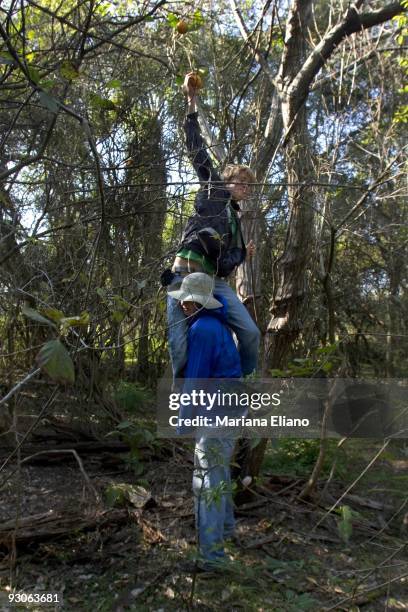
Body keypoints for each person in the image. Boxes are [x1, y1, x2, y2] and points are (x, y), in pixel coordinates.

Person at [166, 72, 260, 380]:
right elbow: (196, 150)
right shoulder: (213, 187)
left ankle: (238, 381)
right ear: (227, 179)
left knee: (250, 333)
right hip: (185, 274)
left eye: (249, 186)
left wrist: (242, 254)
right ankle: (184, 400)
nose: (245, 188)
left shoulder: (236, 222)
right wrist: (191, 102)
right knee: (179, 347)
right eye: (241, 182)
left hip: (214, 282)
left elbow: (224, 266)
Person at [168, 272, 243, 571]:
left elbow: (196, 380)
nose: (184, 305)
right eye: (184, 300)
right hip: (231, 409)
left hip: (218, 413)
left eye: (188, 300)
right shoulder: (216, 325)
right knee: (219, 473)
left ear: (199, 303)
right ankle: (225, 530)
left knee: (206, 480)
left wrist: (182, 420)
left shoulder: (202, 330)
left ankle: (211, 557)